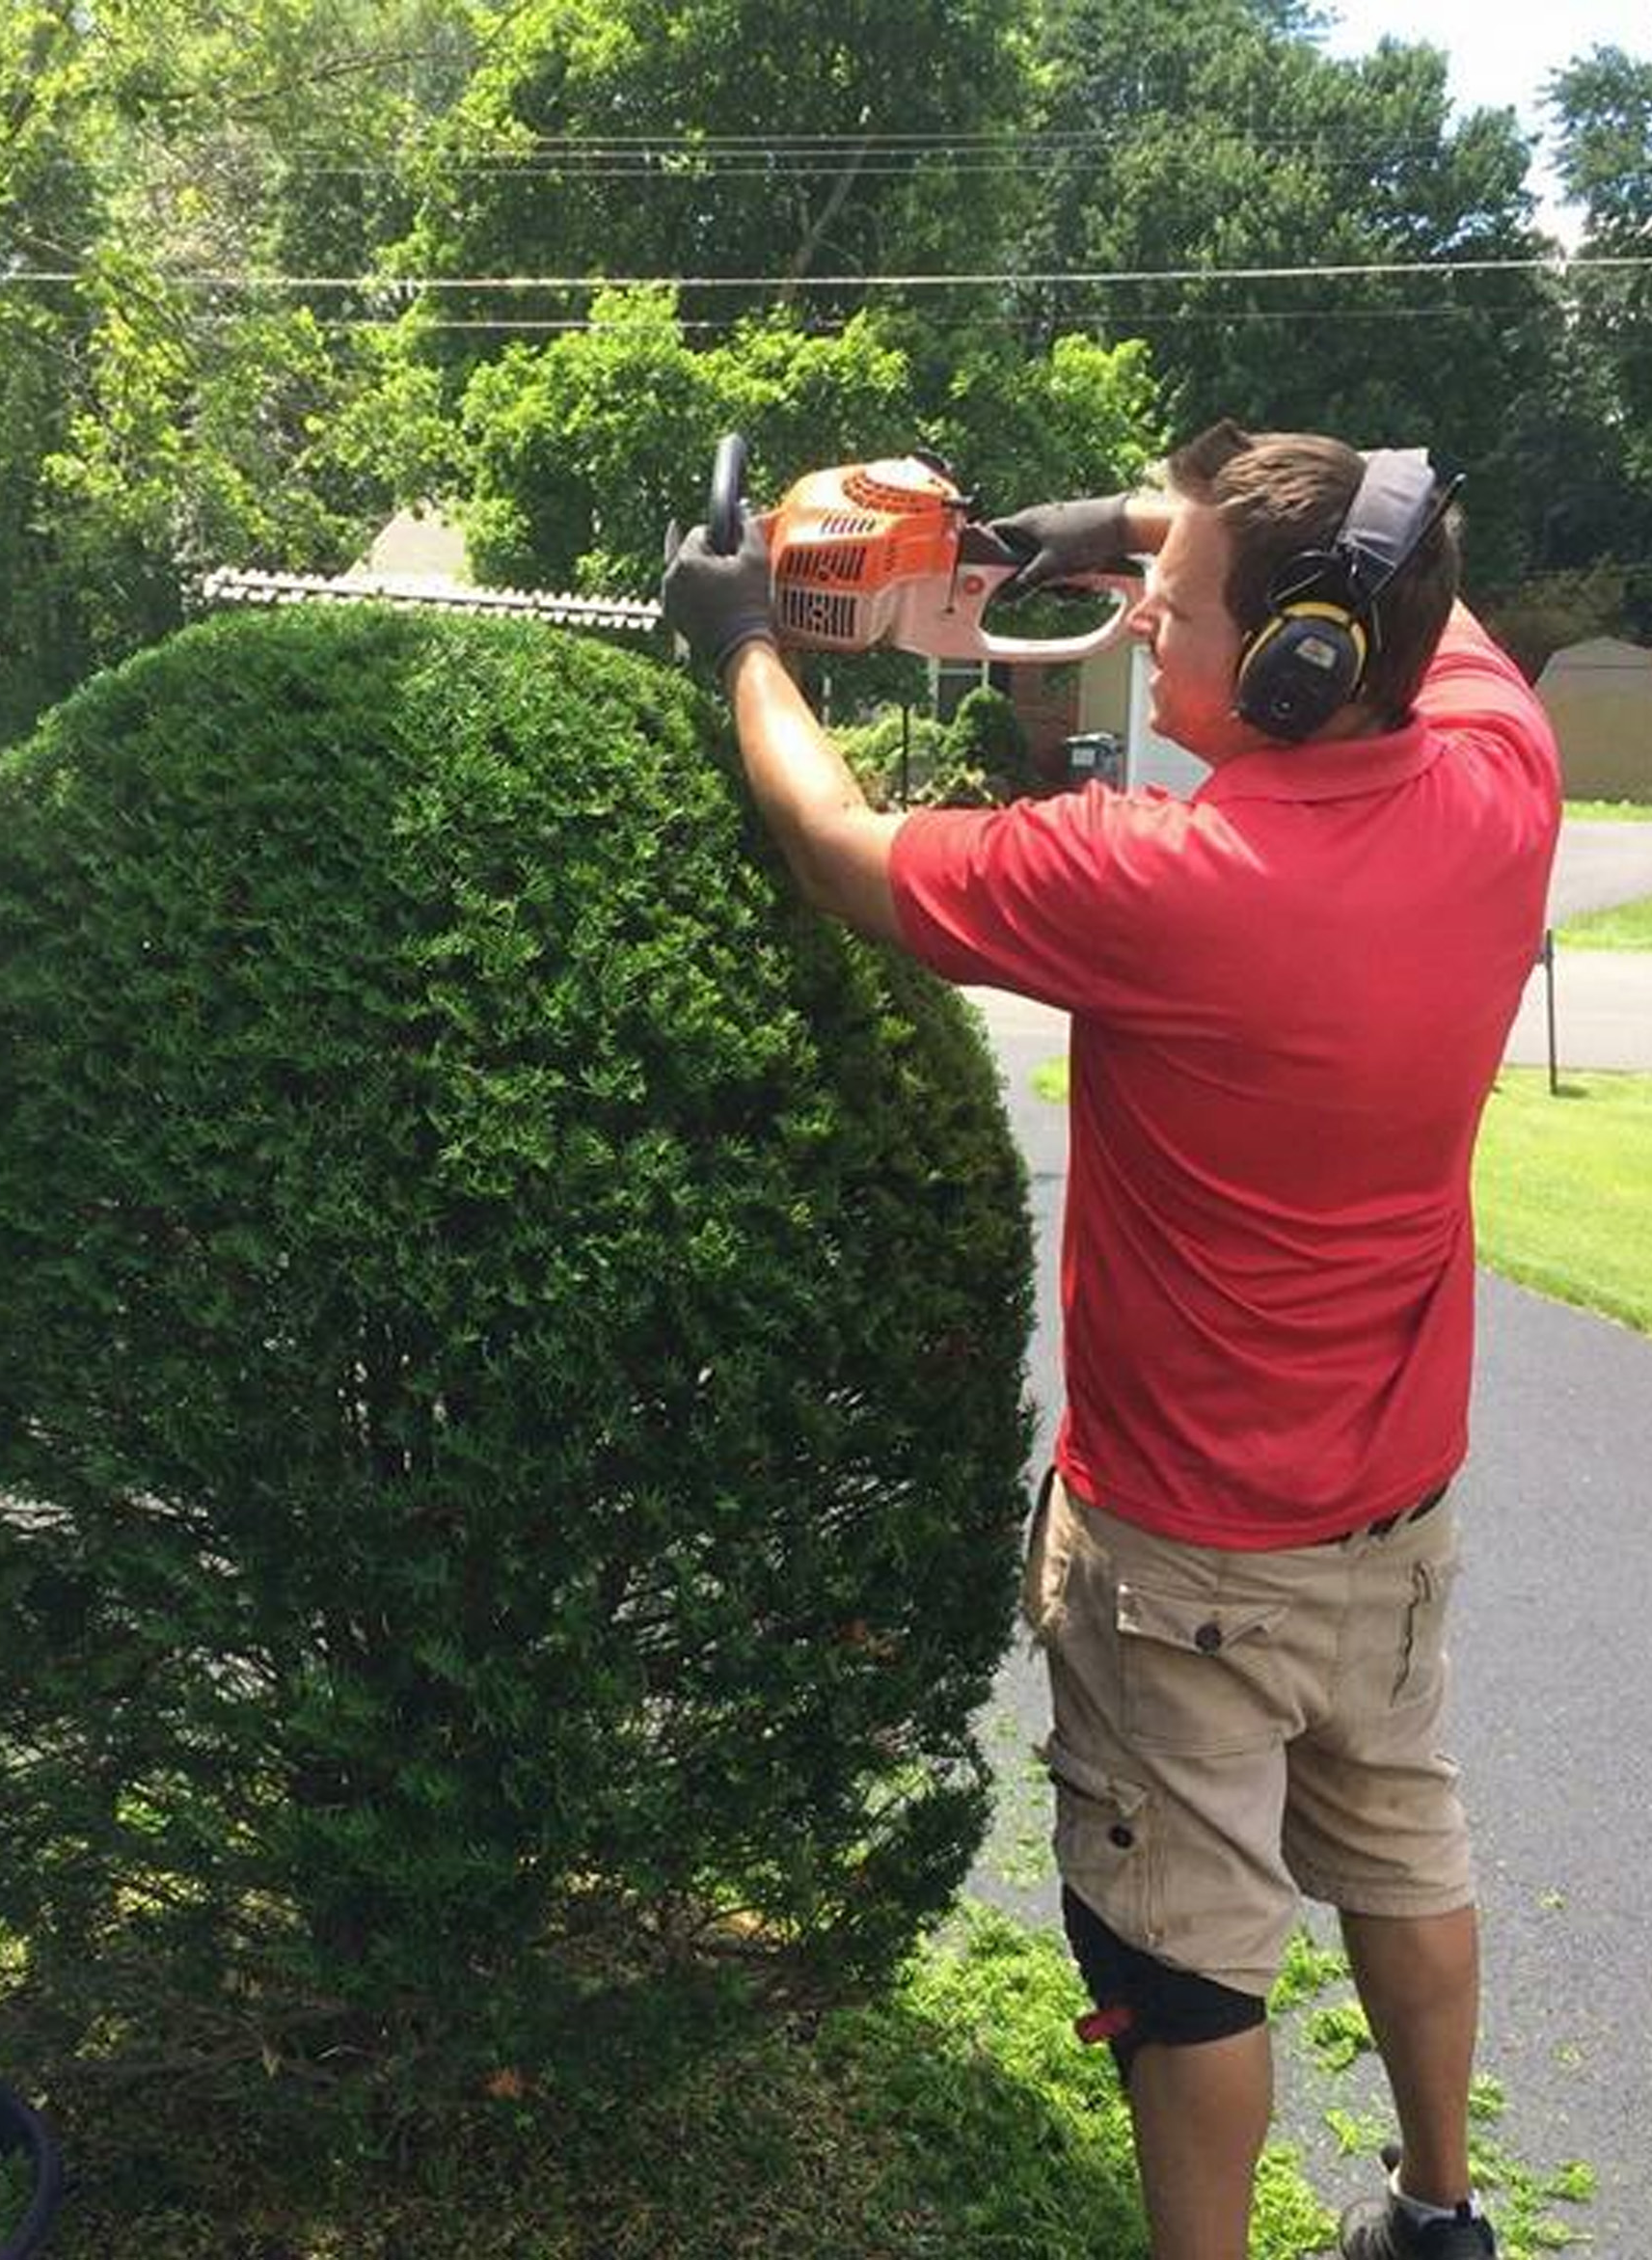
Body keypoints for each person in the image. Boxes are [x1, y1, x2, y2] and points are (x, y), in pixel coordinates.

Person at [659, 422, 1561, 2260]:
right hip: (1388, 1514)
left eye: (1179, 602)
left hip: (1180, 1546)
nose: (1144, 614)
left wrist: (742, 636)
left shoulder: (1166, 882)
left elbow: (839, 851)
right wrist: (1139, 518)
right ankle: (1438, 2213)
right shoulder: (1496, 771)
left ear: (1304, 661)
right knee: (1400, 1840)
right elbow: (1411, 583)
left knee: (1182, 1963)